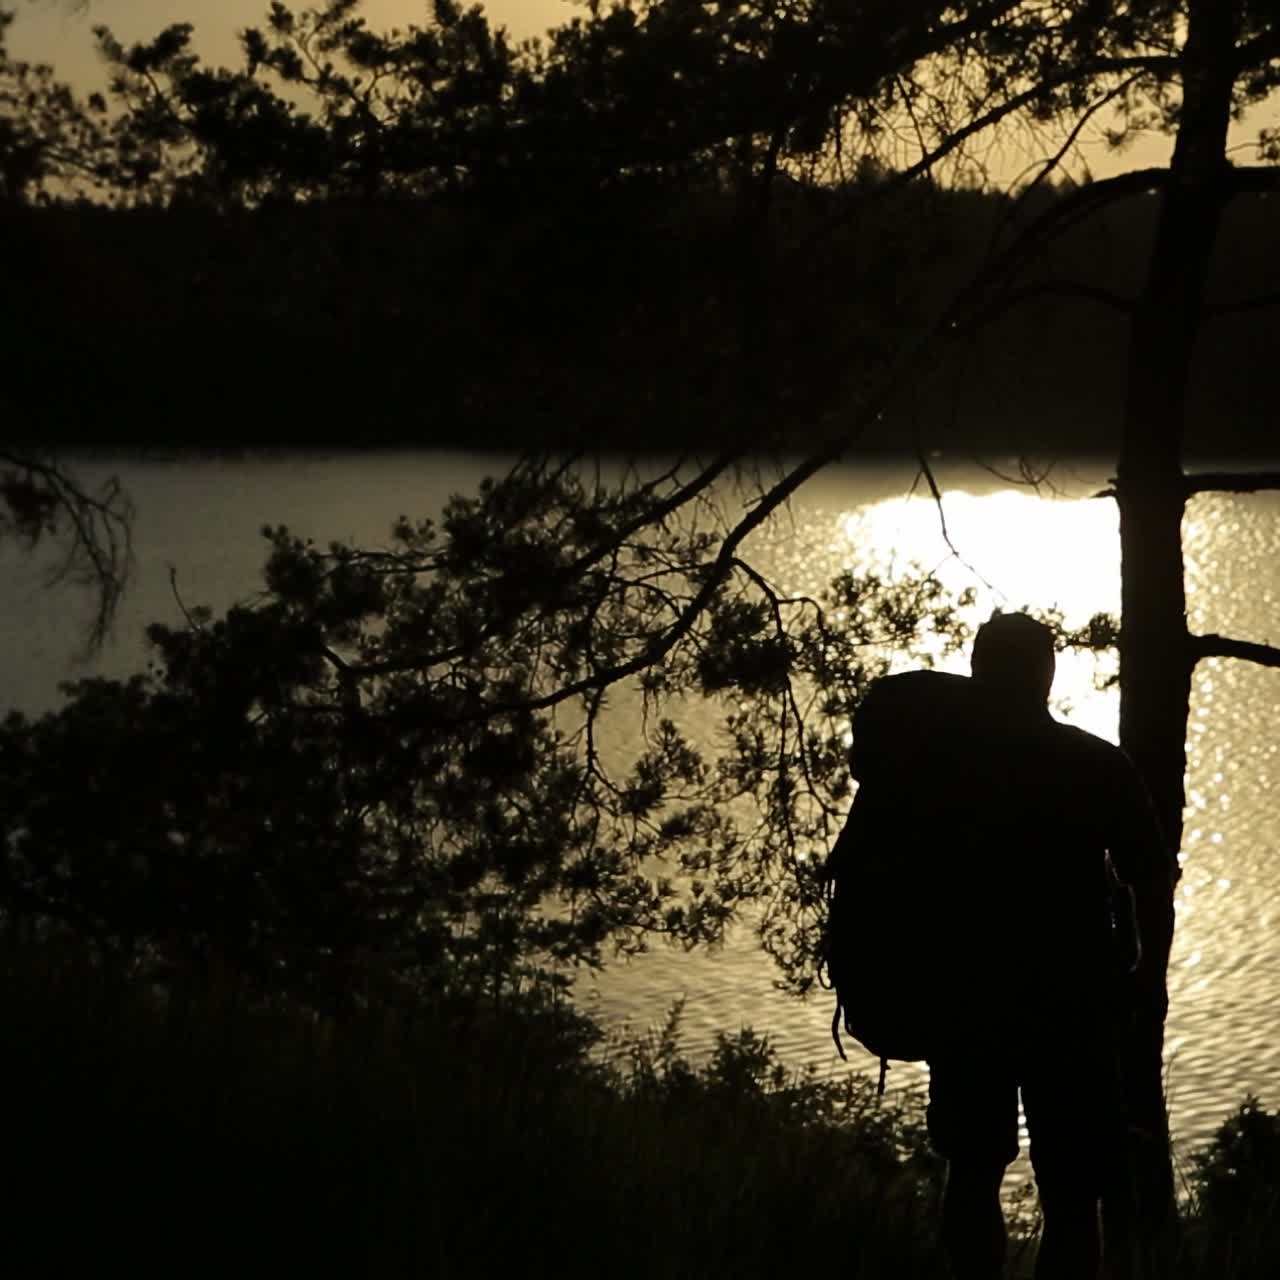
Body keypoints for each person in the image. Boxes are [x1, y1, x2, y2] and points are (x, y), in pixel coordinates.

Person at [855, 613, 1177, 1280]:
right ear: (1047, 673)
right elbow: (1150, 872)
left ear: (977, 672)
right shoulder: (1094, 764)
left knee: (972, 1171)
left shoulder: (937, 770)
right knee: (1072, 1191)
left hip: (967, 1002)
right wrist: (1141, 968)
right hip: (1074, 1010)